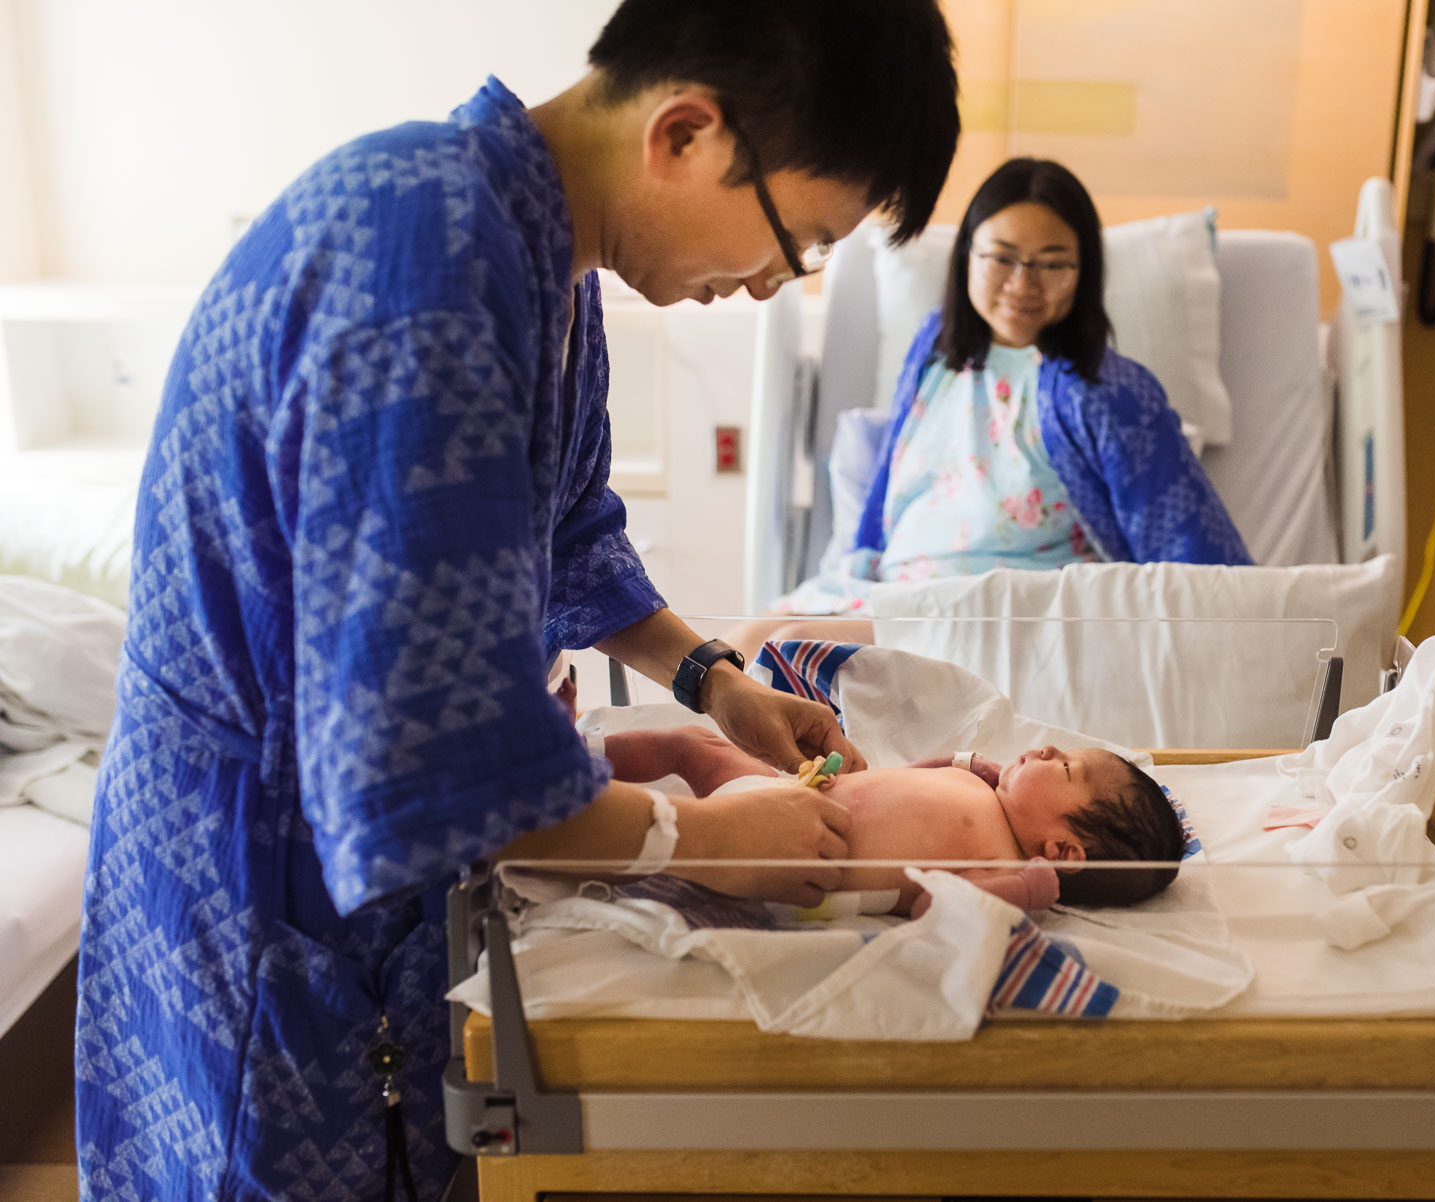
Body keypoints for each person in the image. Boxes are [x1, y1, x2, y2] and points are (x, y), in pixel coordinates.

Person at [74, 4, 959, 1199]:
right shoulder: (422, 275)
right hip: (265, 879)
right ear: (687, 134)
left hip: (330, 845)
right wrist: (697, 838)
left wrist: (720, 683)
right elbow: (424, 760)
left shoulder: (533, 253)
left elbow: (569, 530)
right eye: (793, 242)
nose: (766, 289)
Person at [742, 157, 1250, 649]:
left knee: (792, 650)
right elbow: (891, 486)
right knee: (739, 645)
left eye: (1051, 264)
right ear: (967, 254)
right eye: (1002, 258)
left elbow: (1193, 553)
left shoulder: (1109, 393)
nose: (1022, 284)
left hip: (1007, 617)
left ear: (1084, 270)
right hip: (891, 594)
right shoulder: (935, 348)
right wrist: (861, 560)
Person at [596, 725, 1186, 912]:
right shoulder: (981, 792)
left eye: (1064, 770)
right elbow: (910, 775)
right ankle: (574, 753)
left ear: (1062, 852)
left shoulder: (1000, 862)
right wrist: (964, 762)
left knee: (646, 852)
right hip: (779, 795)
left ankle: (575, 826)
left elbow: (935, 907)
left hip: (775, 861)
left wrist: (1028, 890)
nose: (1048, 749)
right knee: (695, 746)